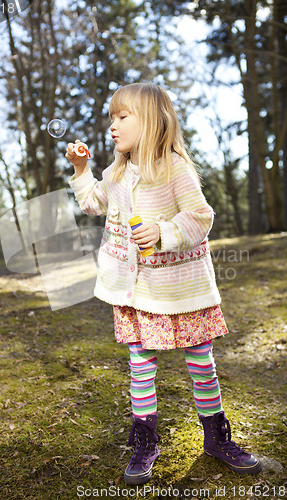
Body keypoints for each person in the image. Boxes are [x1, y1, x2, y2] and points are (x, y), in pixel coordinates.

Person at [66, 83, 261, 485]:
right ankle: (146, 441)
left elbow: (200, 217)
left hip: (181, 290)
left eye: (122, 117)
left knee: (201, 366)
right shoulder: (117, 172)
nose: (113, 127)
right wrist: (82, 172)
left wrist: (162, 231)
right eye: (111, 119)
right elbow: (92, 204)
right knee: (140, 367)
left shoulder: (175, 169)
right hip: (136, 293)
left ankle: (215, 437)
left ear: (151, 121)